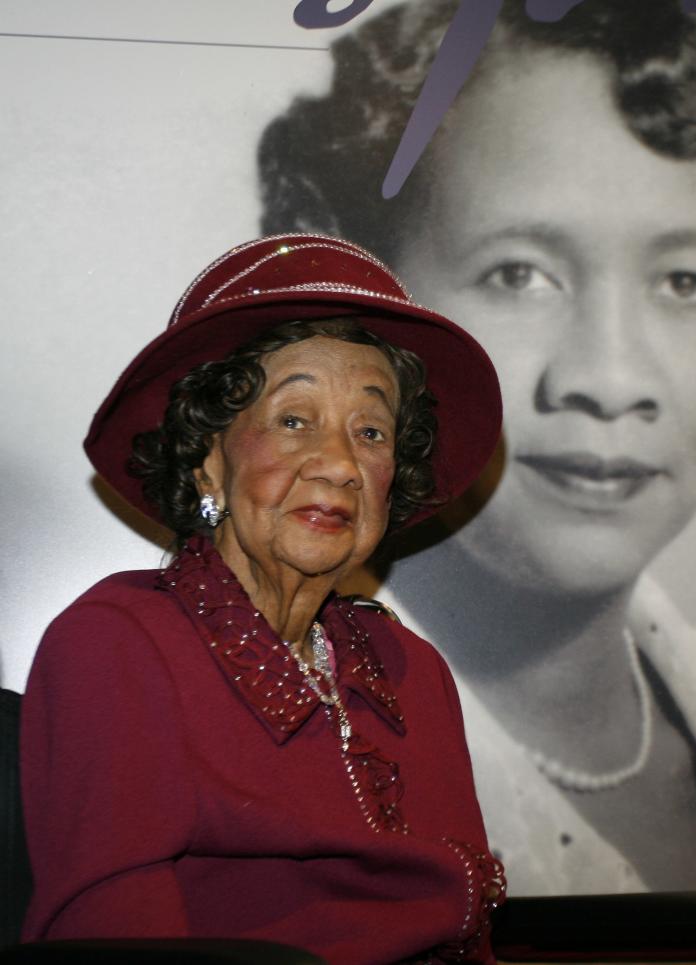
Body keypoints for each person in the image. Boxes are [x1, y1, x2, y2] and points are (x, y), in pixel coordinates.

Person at [256, 2, 696, 963]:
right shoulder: (279, 773)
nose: (609, 377)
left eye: (685, 282)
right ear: (373, 322)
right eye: (519, 272)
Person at [19, 234, 506, 964]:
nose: (341, 463)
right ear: (208, 457)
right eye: (293, 419)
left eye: (371, 431)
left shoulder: (414, 671)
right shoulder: (115, 645)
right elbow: (113, 944)